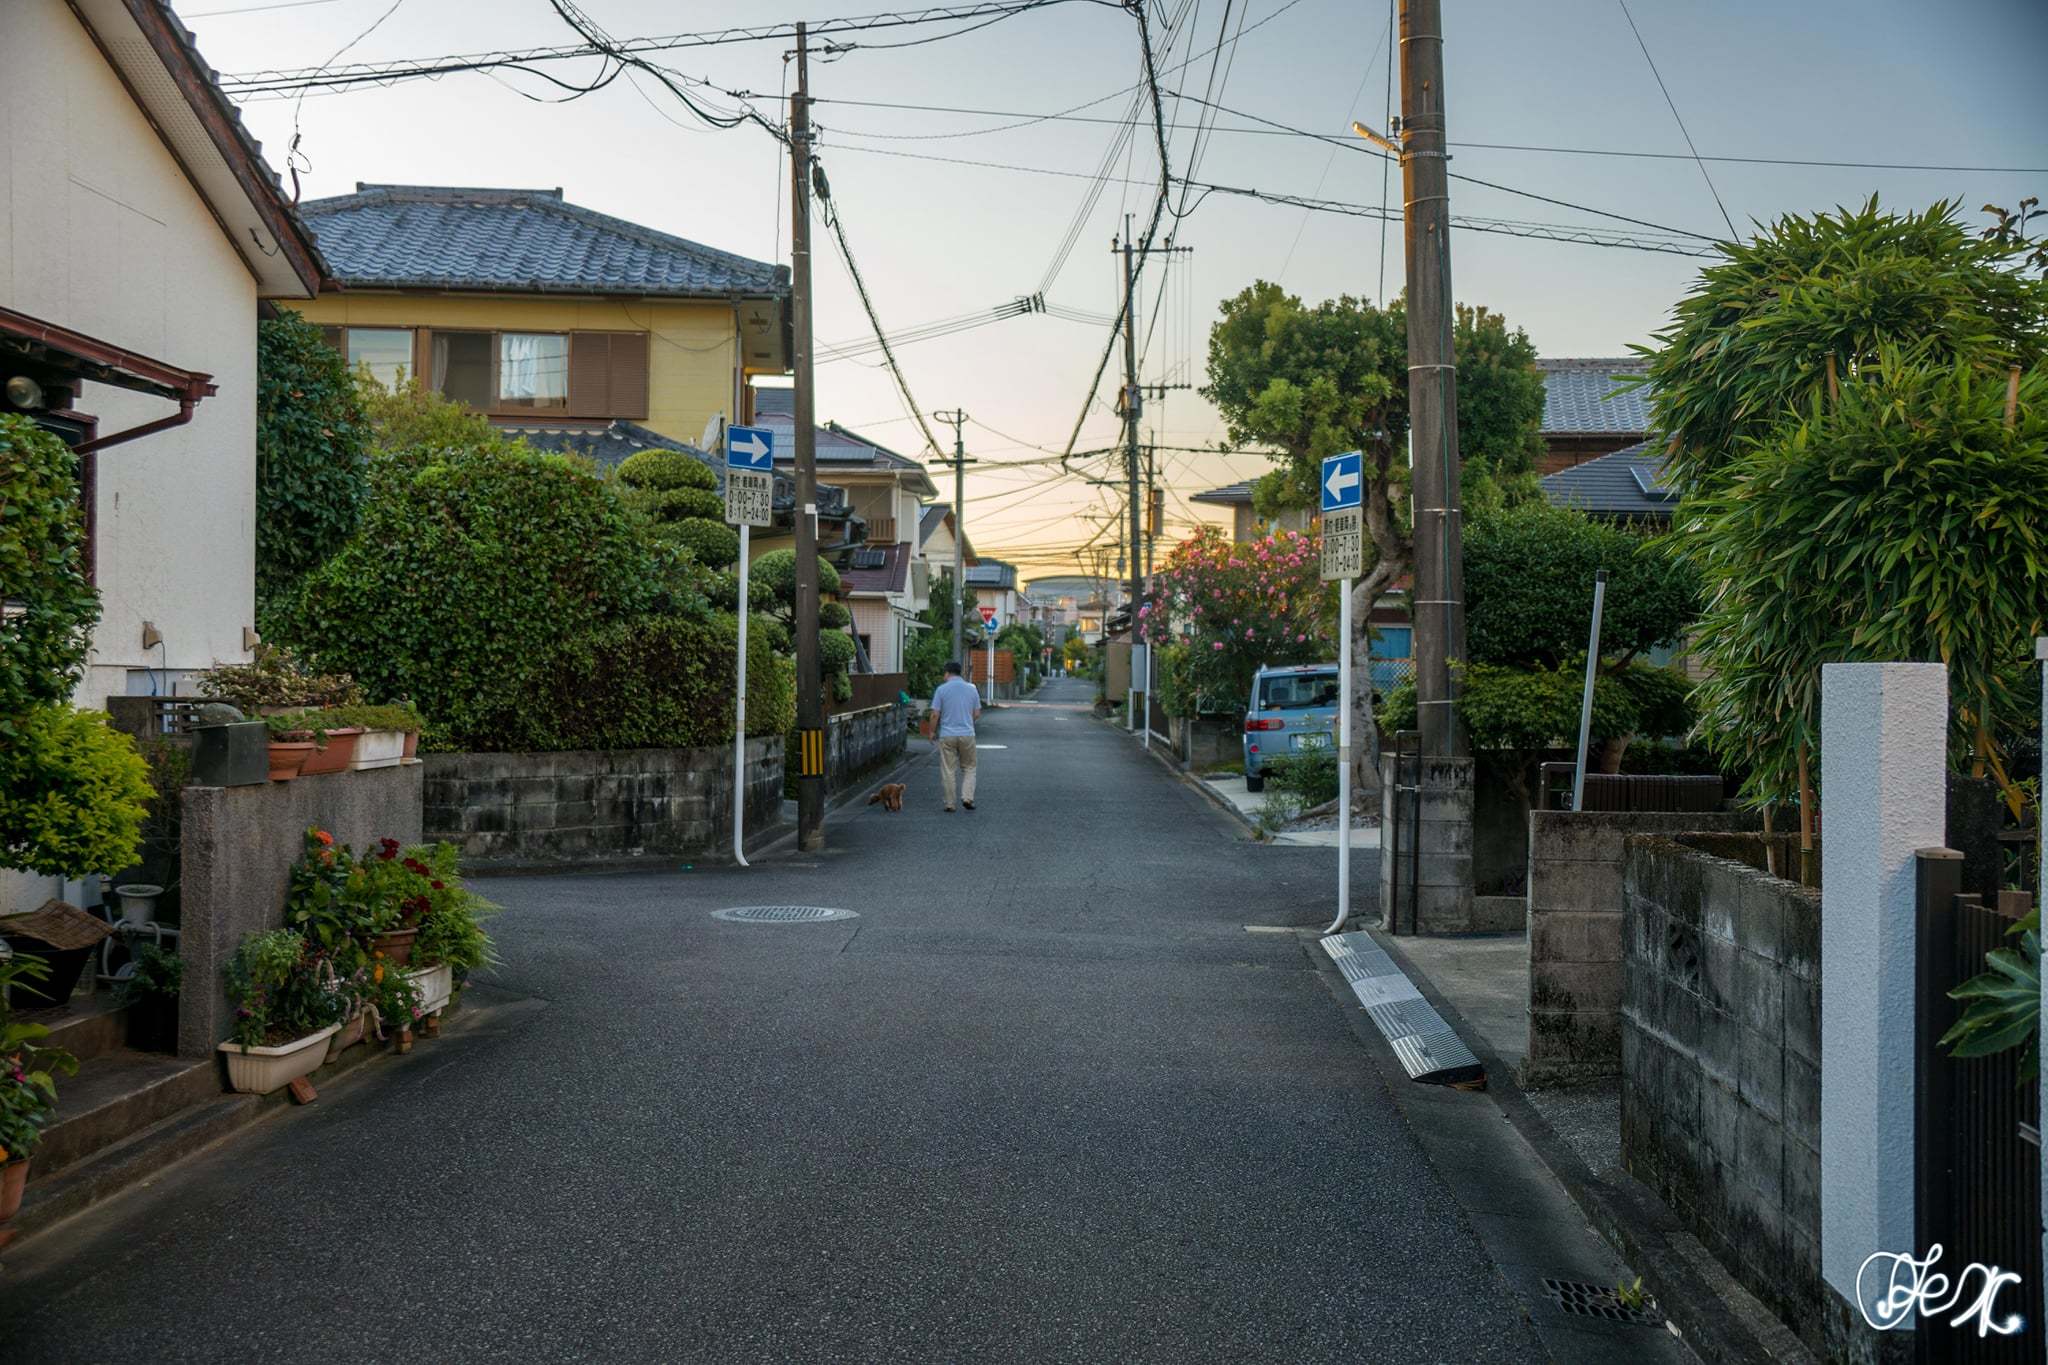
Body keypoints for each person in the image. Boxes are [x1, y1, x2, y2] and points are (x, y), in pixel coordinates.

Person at [928, 659, 982, 812]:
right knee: (969, 767)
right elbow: (977, 713)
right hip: (967, 734)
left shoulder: (941, 690)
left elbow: (934, 714)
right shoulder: (972, 689)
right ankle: (967, 798)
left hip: (947, 735)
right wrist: (965, 721)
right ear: (960, 673)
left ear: (947, 673)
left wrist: (931, 732)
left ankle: (950, 804)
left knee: (948, 769)